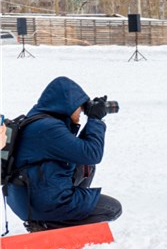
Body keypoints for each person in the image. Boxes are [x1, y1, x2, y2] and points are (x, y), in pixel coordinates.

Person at [5, 76, 122, 231]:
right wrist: (95, 120)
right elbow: (93, 153)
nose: (81, 111)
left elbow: (79, 153)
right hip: (40, 203)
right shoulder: (49, 128)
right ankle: (49, 225)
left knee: (86, 165)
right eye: (80, 107)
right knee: (113, 208)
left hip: (29, 197)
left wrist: (83, 121)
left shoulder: (39, 119)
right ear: (67, 104)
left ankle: (63, 216)